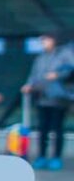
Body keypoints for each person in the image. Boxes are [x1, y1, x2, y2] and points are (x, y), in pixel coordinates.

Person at [21, 32, 74, 170]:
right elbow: (34, 75)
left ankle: (56, 157)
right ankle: (41, 156)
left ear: (53, 40)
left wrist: (58, 74)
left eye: (45, 40)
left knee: (57, 129)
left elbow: (71, 69)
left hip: (59, 98)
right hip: (42, 98)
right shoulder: (40, 58)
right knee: (43, 129)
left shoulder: (64, 54)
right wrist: (29, 85)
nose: (43, 43)